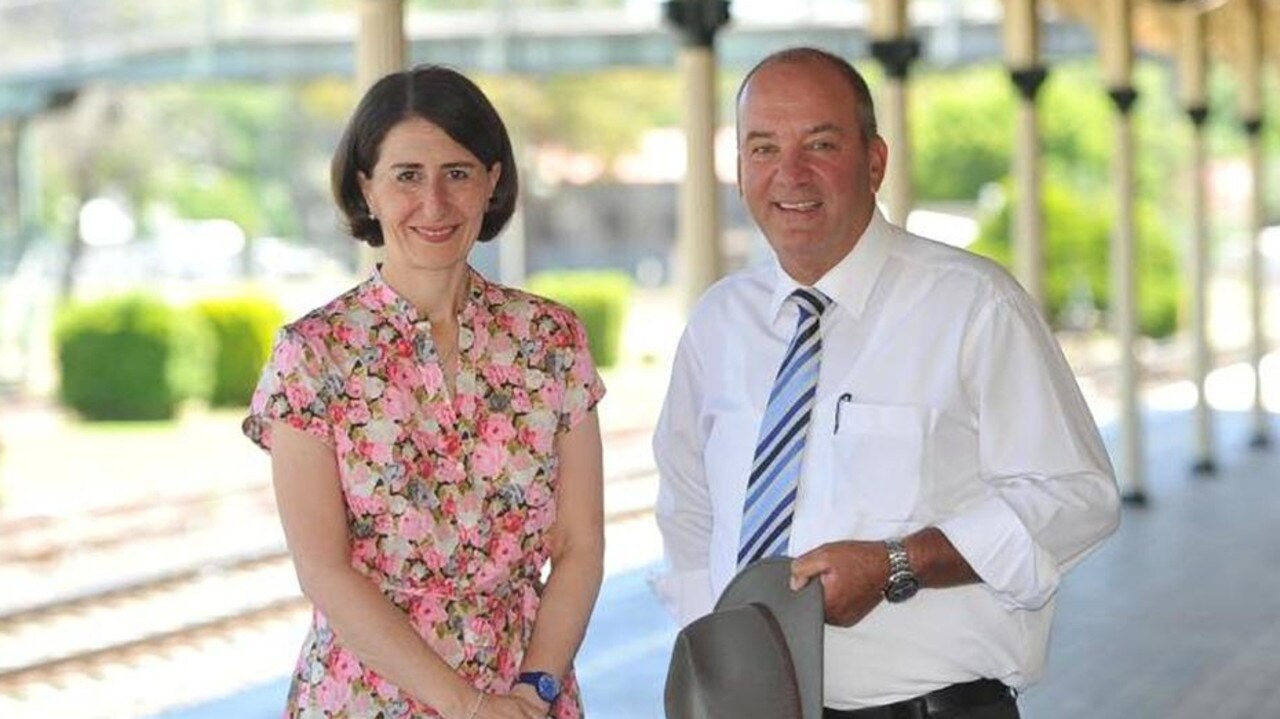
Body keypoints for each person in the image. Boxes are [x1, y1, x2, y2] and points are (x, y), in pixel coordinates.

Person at [653, 47, 1120, 718]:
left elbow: (1079, 497)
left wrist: (901, 560)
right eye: (762, 148)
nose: (791, 173)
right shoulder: (718, 322)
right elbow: (688, 510)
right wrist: (721, 660)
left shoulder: (973, 305)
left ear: (875, 161)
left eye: (820, 143)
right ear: (739, 169)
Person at [243, 65, 606, 719]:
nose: (434, 202)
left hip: (525, 695)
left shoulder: (552, 339)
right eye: (407, 175)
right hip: (363, 697)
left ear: (493, 182)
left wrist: (535, 690)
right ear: (367, 189)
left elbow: (581, 545)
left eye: (458, 172)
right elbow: (324, 571)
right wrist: (467, 705)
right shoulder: (312, 355)